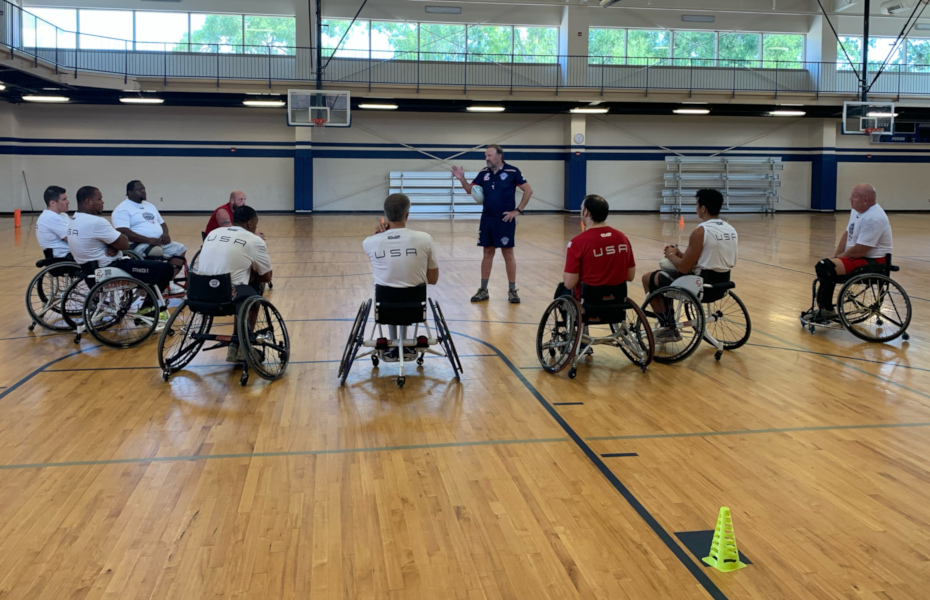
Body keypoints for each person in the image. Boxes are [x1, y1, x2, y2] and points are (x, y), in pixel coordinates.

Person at [641, 188, 738, 341]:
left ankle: (668, 327)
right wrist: (682, 255)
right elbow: (710, 259)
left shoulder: (700, 231)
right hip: (722, 284)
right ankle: (668, 324)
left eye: (696, 205)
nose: (696, 208)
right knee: (666, 273)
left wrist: (671, 255)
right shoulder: (731, 229)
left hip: (700, 286)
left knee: (649, 278)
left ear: (703, 208)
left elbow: (683, 268)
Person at [67, 186, 175, 314]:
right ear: (88, 201)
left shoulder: (74, 219)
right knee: (165, 269)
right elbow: (124, 244)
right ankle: (147, 310)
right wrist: (115, 244)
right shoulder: (96, 222)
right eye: (99, 199)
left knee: (148, 265)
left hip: (90, 269)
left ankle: (145, 290)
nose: (103, 202)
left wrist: (112, 244)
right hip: (113, 268)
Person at [451, 144, 532, 304]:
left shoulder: (512, 171)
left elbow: (528, 190)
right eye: (486, 156)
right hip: (487, 219)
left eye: (489, 155)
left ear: (499, 156)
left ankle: (512, 290)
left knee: (508, 254)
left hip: (505, 220)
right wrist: (462, 179)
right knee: (487, 253)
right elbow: (470, 190)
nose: (486, 158)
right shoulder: (483, 173)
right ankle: (483, 290)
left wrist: (517, 211)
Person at [363, 193, 439, 361]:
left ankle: (393, 343)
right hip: (415, 309)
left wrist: (379, 233)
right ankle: (405, 343)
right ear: (407, 214)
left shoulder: (369, 242)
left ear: (385, 216)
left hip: (385, 308)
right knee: (407, 289)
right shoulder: (425, 239)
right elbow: (433, 280)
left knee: (392, 286)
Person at [803, 183, 893, 322]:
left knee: (826, 267)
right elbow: (847, 234)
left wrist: (838, 259)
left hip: (874, 261)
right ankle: (824, 308)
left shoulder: (874, 218)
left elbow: (860, 250)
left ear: (866, 200)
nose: (850, 199)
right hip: (859, 256)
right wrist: (835, 256)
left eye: (854, 196)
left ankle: (826, 309)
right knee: (826, 265)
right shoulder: (856, 211)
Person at [196, 205, 273, 362]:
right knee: (253, 290)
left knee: (240, 285)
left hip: (198, 292)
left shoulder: (213, 233)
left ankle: (234, 344)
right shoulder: (254, 240)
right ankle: (244, 346)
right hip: (228, 296)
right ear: (251, 223)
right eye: (256, 224)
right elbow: (266, 277)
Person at [111, 180, 187, 289]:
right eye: (139, 189)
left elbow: (162, 223)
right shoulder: (122, 209)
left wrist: (166, 234)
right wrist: (147, 240)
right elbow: (123, 231)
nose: (143, 191)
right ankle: (152, 284)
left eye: (143, 188)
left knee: (180, 249)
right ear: (130, 192)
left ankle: (167, 282)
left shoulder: (150, 206)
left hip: (156, 242)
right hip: (136, 244)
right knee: (156, 251)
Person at [560, 195, 636, 299]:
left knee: (561, 291)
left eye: (581, 208)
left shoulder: (577, 242)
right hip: (617, 298)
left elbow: (569, 283)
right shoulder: (622, 238)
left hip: (589, 300)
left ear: (586, 212)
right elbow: (630, 276)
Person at [36, 185, 72, 259]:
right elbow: (73, 239)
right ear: (52, 203)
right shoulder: (51, 217)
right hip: (62, 258)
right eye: (64, 199)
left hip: (70, 254)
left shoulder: (62, 215)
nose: (68, 202)